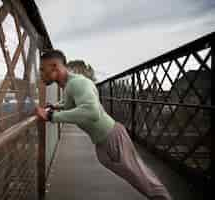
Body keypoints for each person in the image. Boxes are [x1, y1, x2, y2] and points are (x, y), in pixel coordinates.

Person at [35, 49, 172, 200]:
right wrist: (55, 106)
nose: (40, 73)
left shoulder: (77, 83)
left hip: (111, 138)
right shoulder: (71, 84)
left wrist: (51, 116)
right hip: (105, 140)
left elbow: (91, 112)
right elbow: (71, 103)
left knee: (142, 179)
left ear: (54, 67)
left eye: (42, 69)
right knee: (139, 177)